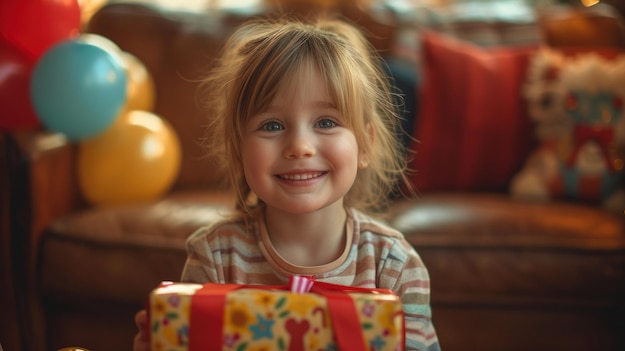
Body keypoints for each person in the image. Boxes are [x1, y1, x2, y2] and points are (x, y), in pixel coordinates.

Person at [133, 15, 440, 351]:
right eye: (273, 126)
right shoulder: (216, 256)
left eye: (325, 122)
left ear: (365, 144)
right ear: (239, 148)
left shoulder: (394, 264)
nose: (299, 147)